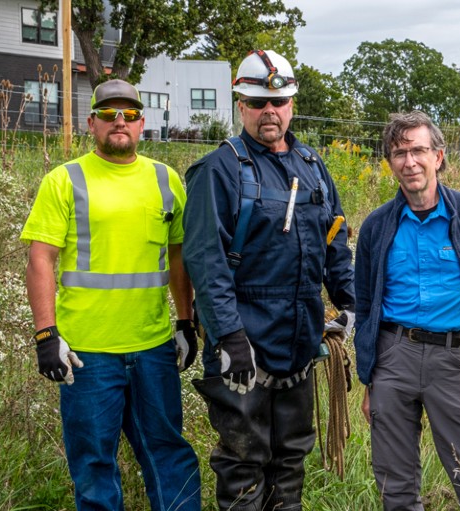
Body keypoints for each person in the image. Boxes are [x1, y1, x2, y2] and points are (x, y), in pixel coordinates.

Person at [182, 49, 355, 511]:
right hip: (244, 345)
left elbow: (334, 240)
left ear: (292, 103)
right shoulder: (218, 170)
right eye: (258, 103)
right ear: (240, 104)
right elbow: (205, 259)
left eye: (278, 102)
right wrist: (229, 335)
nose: (269, 112)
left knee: (290, 459)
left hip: (299, 339)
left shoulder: (312, 166)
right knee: (244, 462)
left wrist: (350, 301)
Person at [21, 79, 201, 510]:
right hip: (87, 355)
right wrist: (46, 335)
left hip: (153, 348)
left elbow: (179, 258)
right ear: (92, 123)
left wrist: (185, 321)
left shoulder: (166, 179)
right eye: (108, 114)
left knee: (169, 456)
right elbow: (40, 259)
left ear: (142, 123)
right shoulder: (65, 180)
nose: (119, 121)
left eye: (129, 113)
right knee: (94, 465)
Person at [354, 110, 460, 511]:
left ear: (438, 156)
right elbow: (364, 303)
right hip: (393, 356)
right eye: (399, 153)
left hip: (452, 357)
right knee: (395, 488)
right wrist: (369, 378)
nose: (409, 162)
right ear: (390, 162)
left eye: (418, 150)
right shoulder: (377, 226)